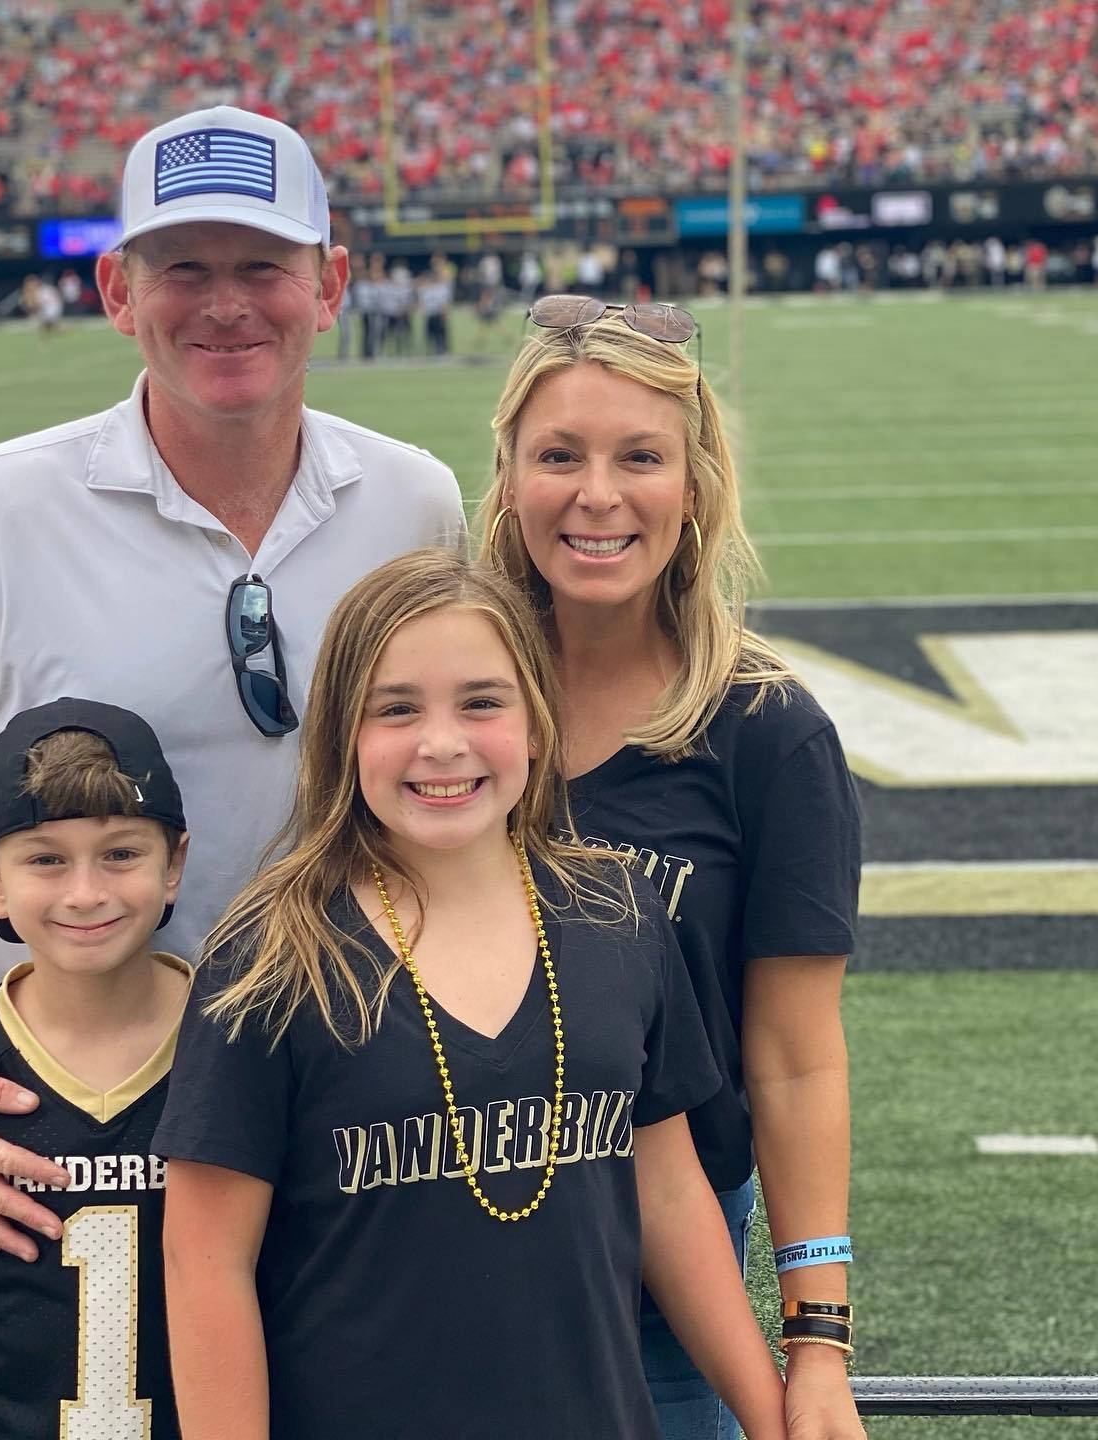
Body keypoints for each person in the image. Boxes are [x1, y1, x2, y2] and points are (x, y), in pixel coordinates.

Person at [0, 104, 464, 1262]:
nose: (226, 303)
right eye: (182, 268)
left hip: (341, 1085)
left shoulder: (414, 502)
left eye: (264, 266)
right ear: (115, 292)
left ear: (333, 283)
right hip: (61, 1121)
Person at [154, 549, 788, 1440]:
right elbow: (205, 1260)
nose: (442, 743)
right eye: (397, 709)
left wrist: (772, 1414)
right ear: (342, 735)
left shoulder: (621, 916)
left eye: (482, 702)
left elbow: (672, 1195)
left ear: (537, 723)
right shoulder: (272, 959)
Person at [476, 297, 863, 1440]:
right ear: (508, 474)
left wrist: (818, 1340)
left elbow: (794, 1060)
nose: (598, 495)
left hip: (670, 1272)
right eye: (560, 456)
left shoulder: (767, 731)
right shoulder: (450, 697)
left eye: (640, 456)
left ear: (693, 485)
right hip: (431, 1224)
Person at [0, 698, 190, 1439]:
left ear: (175, 862)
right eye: (46, 859)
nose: (85, 892)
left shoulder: (241, 1031)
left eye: (121, 853)